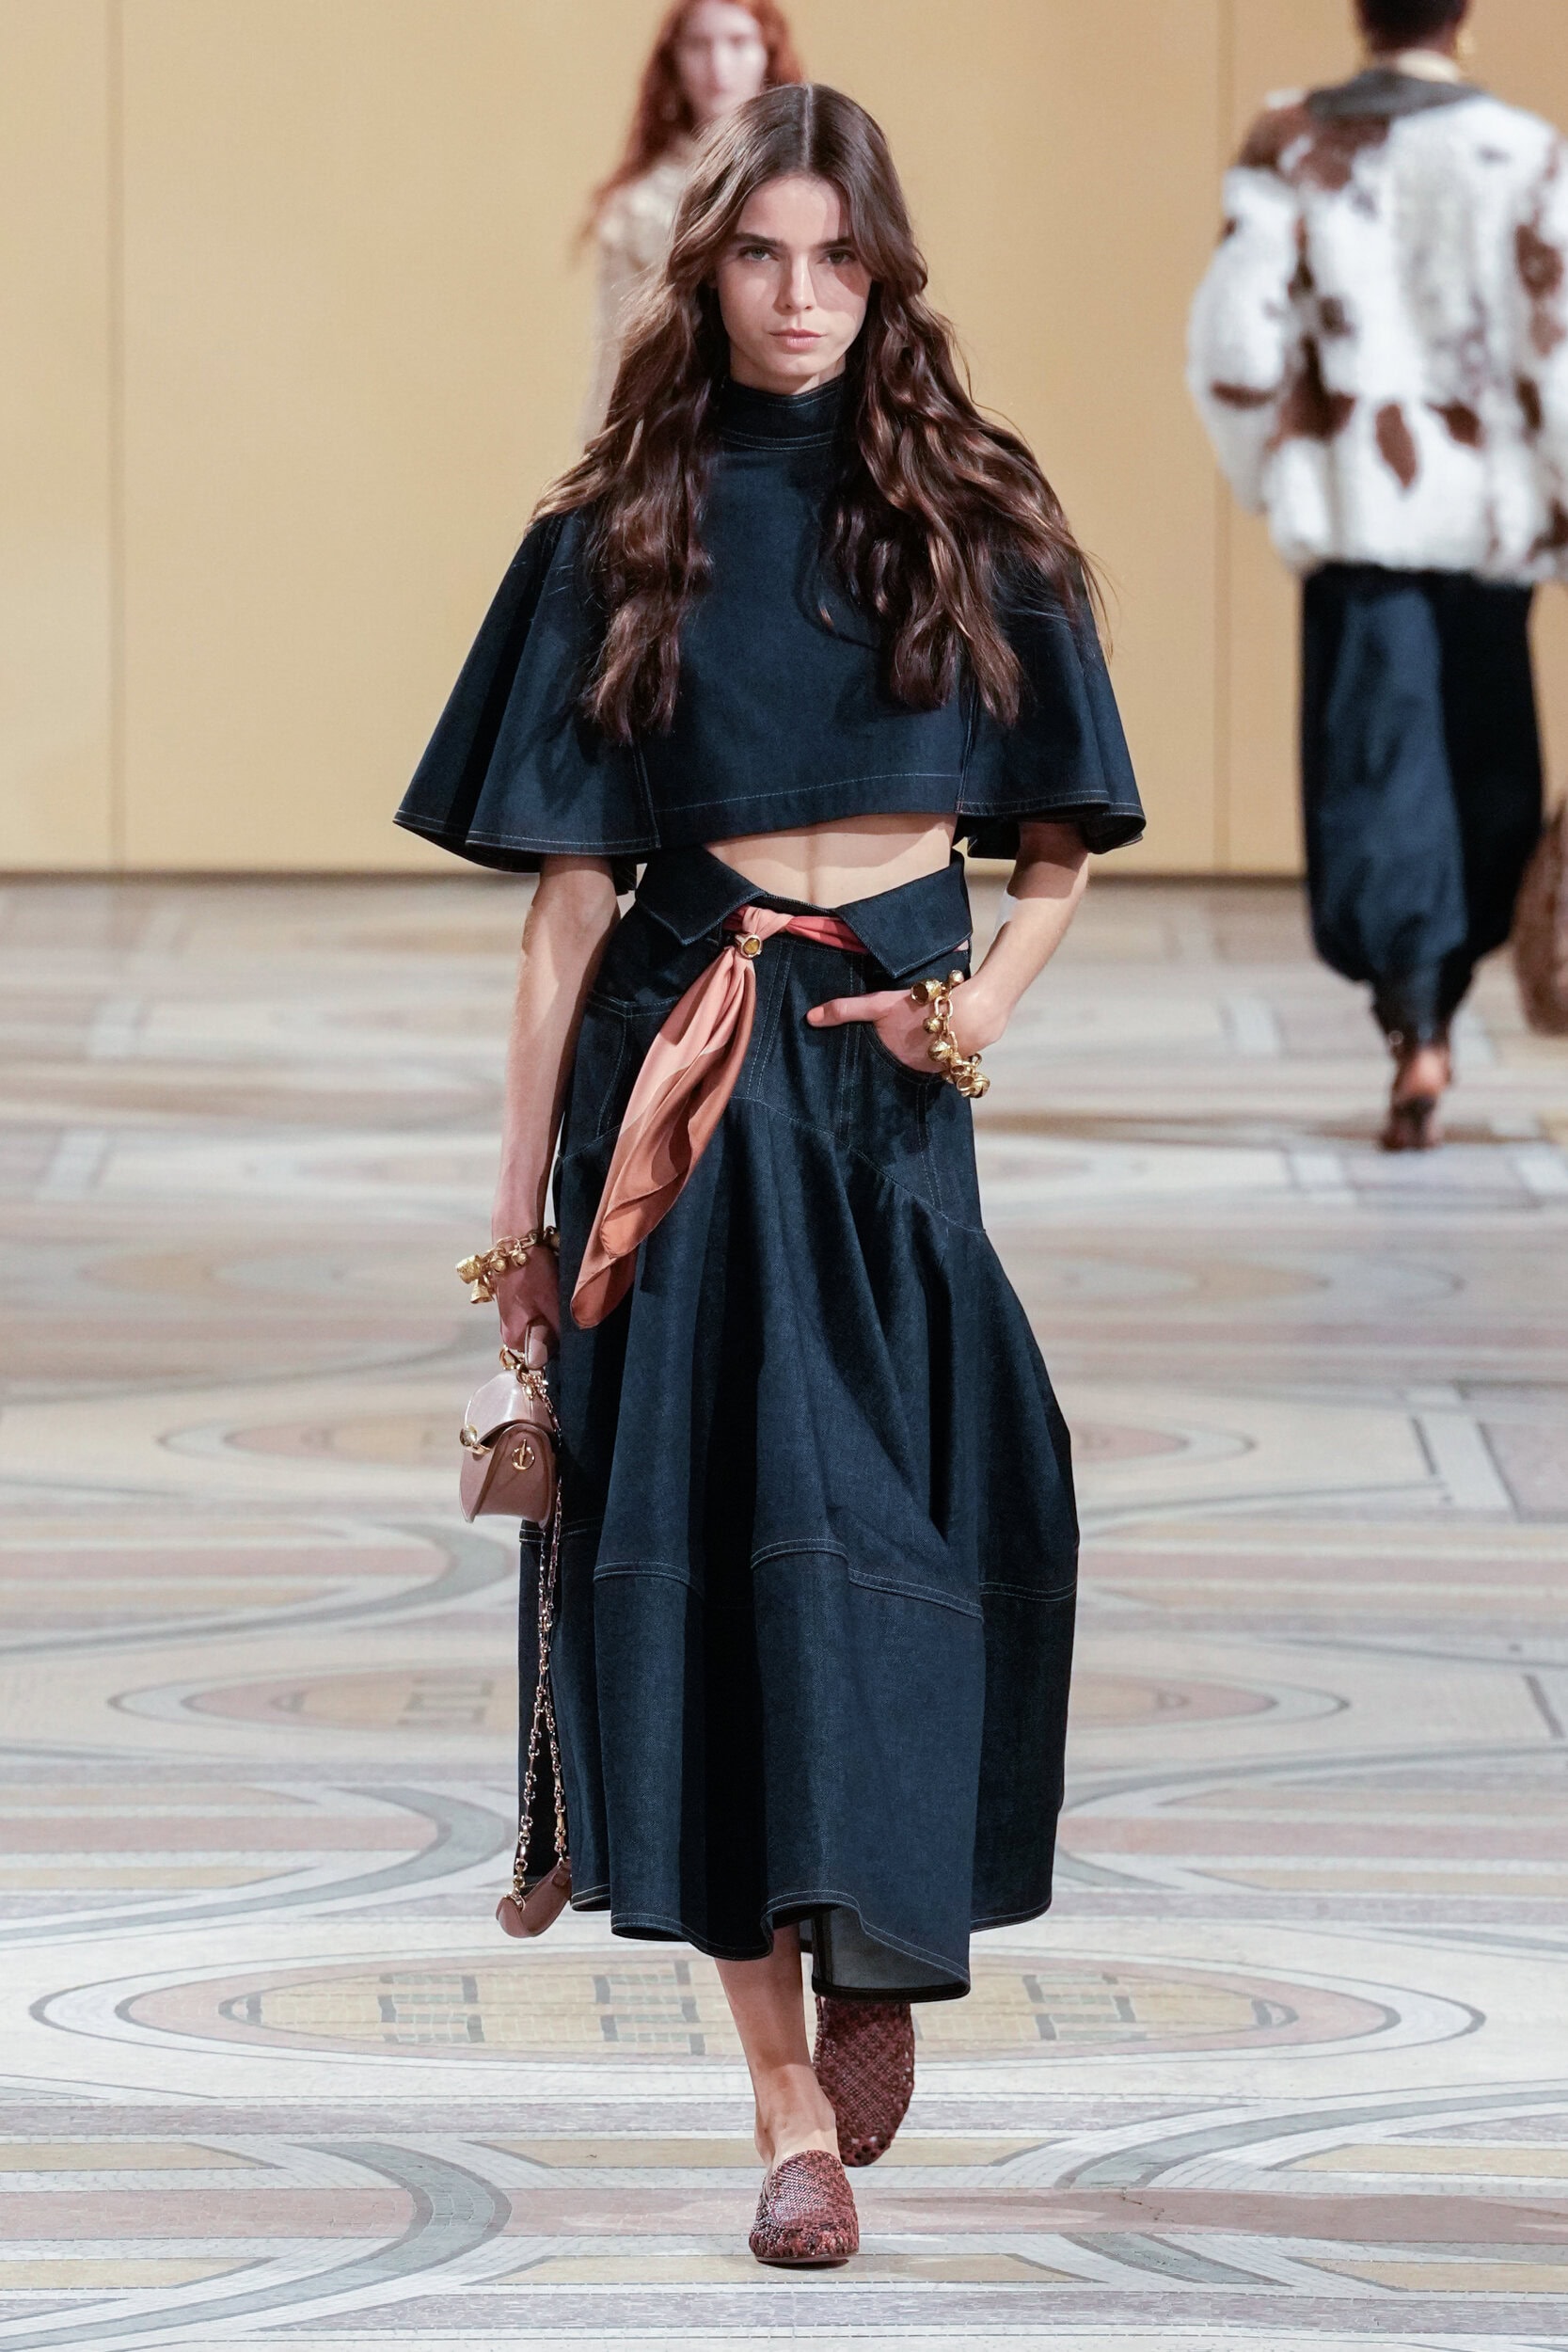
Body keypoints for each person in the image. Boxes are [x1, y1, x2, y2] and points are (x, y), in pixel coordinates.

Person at [400, 83, 1142, 2266]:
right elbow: (560, 915)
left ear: (883, 269)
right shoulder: (617, 529)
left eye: (834, 256)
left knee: (920, 1512)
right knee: (708, 1546)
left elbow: (1058, 845)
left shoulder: (976, 508)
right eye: (759, 254)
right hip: (678, 1086)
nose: (799, 296)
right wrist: (518, 1230)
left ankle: (877, 1927)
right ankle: (785, 2108)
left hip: (886, 1085)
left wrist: (979, 1007)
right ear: (703, 267)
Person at [1188, 0, 1568, 1149]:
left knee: (1370, 770)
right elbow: (1556, 343)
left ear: (1359, 18)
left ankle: (1413, 1024)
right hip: (1486, 524)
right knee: (1482, 766)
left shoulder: (1292, 141)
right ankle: (1437, 1003)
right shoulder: (1521, 151)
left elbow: (1236, 337)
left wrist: (1271, 473)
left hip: (1357, 512)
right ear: (1464, 20)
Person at [580, 0, 803, 437]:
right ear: (675, 60)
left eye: (738, 42)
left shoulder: (811, 178)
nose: (718, 65)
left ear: (768, 52)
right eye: (699, 45)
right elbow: (617, 354)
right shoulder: (641, 206)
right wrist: (604, 454)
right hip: (685, 431)